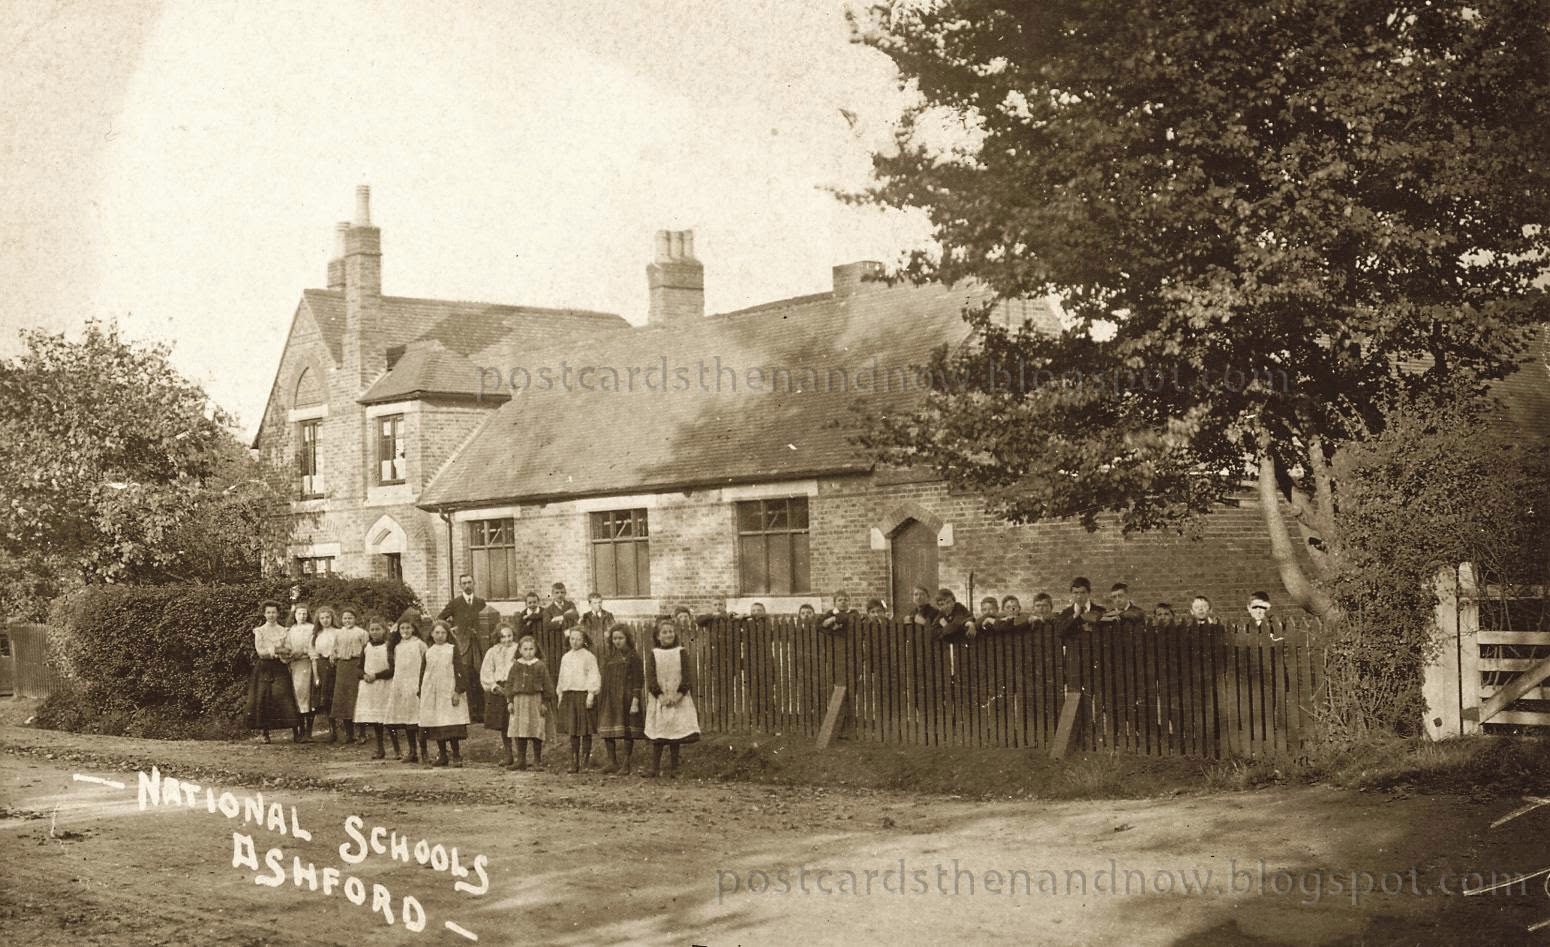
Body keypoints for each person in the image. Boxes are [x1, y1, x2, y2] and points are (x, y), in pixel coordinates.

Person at [644, 618, 700, 778]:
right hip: (660, 698)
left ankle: (674, 768)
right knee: (659, 733)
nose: (668, 635)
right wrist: (659, 695)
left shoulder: (681, 652)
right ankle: (654, 767)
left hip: (677, 698)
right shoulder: (654, 653)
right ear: (658, 636)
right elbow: (651, 676)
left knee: (675, 733)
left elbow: (687, 675)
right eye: (664, 632)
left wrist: (679, 694)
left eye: (670, 632)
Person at [246, 601, 301, 743]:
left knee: (284, 695)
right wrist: (277, 650)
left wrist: (283, 652)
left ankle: (295, 731)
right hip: (264, 667)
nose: (271, 615)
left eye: (273, 612)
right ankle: (265, 733)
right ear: (264, 614)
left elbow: (288, 648)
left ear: (278, 613)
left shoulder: (284, 630)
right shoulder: (259, 631)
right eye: (268, 612)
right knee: (265, 697)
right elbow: (261, 652)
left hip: (280, 666)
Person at [436, 573, 488, 723]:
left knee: (479, 675)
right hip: (463, 646)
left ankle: (481, 713)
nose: (467, 585)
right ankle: (470, 713)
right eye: (464, 583)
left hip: (478, 645)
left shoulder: (480, 602)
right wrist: (451, 630)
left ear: (474, 583)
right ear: (460, 586)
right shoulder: (455, 603)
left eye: (469, 582)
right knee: (466, 675)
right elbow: (440, 619)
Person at [419, 620, 470, 767]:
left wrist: (458, 691)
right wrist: (420, 691)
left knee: (451, 723)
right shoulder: (428, 652)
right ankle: (442, 755)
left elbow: (460, 671)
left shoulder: (452, 649)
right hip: (432, 693)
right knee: (436, 723)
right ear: (431, 634)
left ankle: (456, 755)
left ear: (448, 635)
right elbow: (423, 673)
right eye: (437, 633)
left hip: (448, 691)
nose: (440, 636)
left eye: (443, 633)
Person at [596, 625, 645, 775]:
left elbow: (639, 680)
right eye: (615, 638)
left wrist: (635, 700)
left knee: (627, 730)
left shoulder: (633, 657)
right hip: (610, 698)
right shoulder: (610, 657)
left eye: (620, 638)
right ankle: (612, 761)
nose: (617, 641)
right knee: (608, 729)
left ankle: (626, 763)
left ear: (627, 639)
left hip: (627, 698)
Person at [502, 635, 555, 770]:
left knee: (536, 729)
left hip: (535, 700)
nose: (528, 652)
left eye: (531, 649)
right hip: (519, 701)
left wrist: (544, 702)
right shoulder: (516, 665)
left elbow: (547, 685)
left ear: (536, 649)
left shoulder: (540, 665)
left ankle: (537, 760)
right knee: (520, 730)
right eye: (525, 649)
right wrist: (510, 701)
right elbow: (509, 684)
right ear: (519, 650)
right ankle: (521, 760)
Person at [556, 627, 601, 773]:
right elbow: (562, 678)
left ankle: (585, 761)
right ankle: (574, 761)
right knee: (573, 730)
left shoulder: (589, 657)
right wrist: (561, 694)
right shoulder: (566, 657)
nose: (575, 642)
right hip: (570, 696)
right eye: (572, 639)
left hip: (583, 696)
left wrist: (591, 694)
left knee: (585, 730)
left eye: (579, 639)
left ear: (584, 640)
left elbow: (593, 676)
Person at [386, 610, 428, 764]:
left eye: (408, 628)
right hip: (402, 686)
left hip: (415, 685)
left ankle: (424, 751)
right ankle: (412, 751)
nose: (405, 631)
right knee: (407, 721)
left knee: (418, 720)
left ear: (414, 629)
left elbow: (426, 663)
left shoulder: (419, 644)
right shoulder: (397, 647)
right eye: (402, 628)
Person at [353, 616, 397, 760]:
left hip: (384, 686)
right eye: (372, 629)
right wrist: (364, 675)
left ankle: (397, 750)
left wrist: (376, 675)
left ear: (384, 630)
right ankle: (380, 749)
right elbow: (359, 668)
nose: (375, 632)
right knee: (375, 721)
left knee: (389, 720)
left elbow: (393, 669)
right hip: (370, 688)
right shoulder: (367, 647)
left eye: (378, 629)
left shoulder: (389, 646)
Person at [480, 623, 519, 767]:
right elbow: (487, 670)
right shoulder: (493, 651)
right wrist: (494, 686)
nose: (507, 640)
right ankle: (509, 755)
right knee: (504, 724)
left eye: (509, 636)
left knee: (517, 721)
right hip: (499, 689)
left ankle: (521, 755)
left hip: (514, 687)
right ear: (498, 637)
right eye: (503, 637)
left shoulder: (518, 649)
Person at [330, 607, 371, 744]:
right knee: (343, 700)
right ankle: (349, 734)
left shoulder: (362, 633)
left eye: (350, 618)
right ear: (341, 620)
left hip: (356, 665)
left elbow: (367, 651)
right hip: (342, 667)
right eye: (345, 618)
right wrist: (333, 656)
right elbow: (334, 649)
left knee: (357, 698)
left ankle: (362, 733)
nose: (347, 621)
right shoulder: (338, 633)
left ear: (355, 619)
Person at [285, 603, 316, 742]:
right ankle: (299, 730)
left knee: (308, 697)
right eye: (299, 614)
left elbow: (313, 645)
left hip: (307, 664)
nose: (302, 616)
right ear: (295, 615)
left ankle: (308, 732)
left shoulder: (312, 628)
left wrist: (303, 652)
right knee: (296, 696)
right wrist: (290, 655)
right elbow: (287, 646)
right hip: (295, 665)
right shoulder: (291, 630)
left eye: (304, 614)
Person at [311, 606, 340, 742]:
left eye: (327, 617)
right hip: (322, 667)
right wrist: (316, 675)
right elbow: (314, 657)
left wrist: (336, 654)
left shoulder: (338, 632)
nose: (325, 620)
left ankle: (347, 729)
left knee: (338, 697)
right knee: (326, 699)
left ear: (332, 618)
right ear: (318, 620)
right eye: (322, 618)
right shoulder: (316, 635)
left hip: (336, 666)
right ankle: (332, 729)